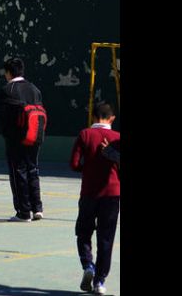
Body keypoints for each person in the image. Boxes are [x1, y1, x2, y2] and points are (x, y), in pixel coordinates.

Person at [70, 102, 120, 295]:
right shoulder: (117, 137)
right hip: (112, 194)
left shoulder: (85, 135)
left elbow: (74, 164)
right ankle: (100, 281)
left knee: (83, 232)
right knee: (106, 238)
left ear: (93, 117)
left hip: (89, 193)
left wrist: (88, 169)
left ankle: (88, 265)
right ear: (112, 119)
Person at [0, 57, 44, 222]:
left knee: (18, 172)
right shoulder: (34, 89)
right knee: (33, 170)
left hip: (16, 138)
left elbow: (4, 116)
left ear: (9, 72)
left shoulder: (8, 89)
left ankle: (23, 212)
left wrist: (7, 134)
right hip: (35, 136)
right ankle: (37, 208)